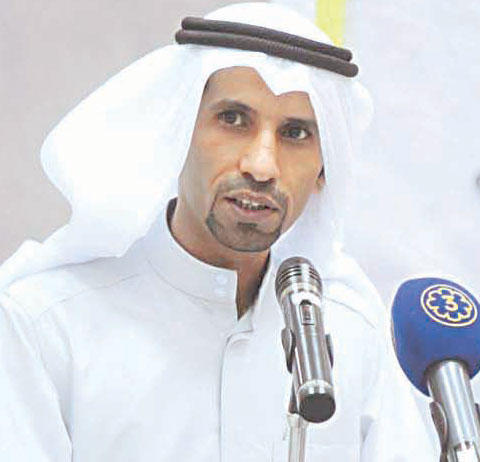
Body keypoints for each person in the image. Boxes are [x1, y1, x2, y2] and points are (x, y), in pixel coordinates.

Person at [0, 3, 435, 461]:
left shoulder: (353, 332)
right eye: (233, 120)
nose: (262, 166)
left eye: (295, 134)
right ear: (177, 132)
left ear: (323, 170)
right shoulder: (46, 324)